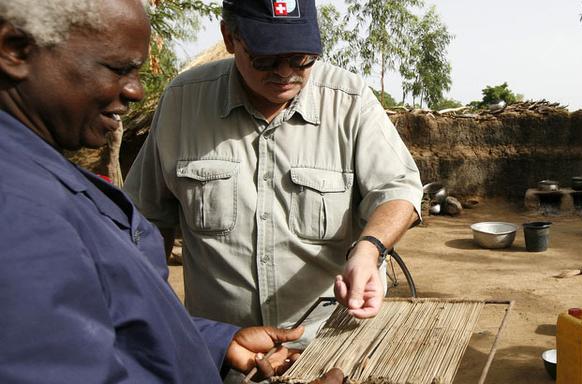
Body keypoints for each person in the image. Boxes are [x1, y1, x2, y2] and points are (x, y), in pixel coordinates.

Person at [0, 0, 344, 382]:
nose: (135, 91)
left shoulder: (43, 175)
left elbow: (110, 321)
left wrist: (217, 343)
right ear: (15, 50)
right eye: (118, 69)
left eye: (300, 59)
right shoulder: (16, 208)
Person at [122, 0, 423, 375]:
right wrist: (157, 316)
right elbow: (148, 218)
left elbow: (400, 190)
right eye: (266, 58)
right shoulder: (183, 102)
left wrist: (367, 250)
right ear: (230, 38)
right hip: (224, 353)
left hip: (330, 353)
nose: (285, 73)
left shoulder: (348, 100)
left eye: (301, 59)